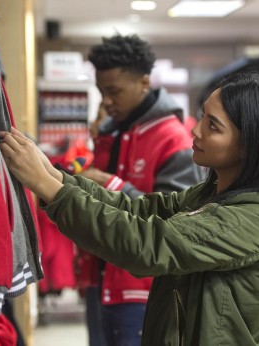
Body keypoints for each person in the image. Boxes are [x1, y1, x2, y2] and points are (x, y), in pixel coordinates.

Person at [0, 72, 259, 345]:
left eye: (213, 125)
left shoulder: (256, 217)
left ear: (251, 144)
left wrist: (51, 188)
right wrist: (56, 178)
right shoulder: (210, 194)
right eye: (203, 116)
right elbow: (143, 211)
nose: (196, 130)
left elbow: (148, 244)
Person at [77, 34, 203, 346]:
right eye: (101, 91)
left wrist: (111, 184)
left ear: (144, 82)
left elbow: (178, 222)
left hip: (144, 290)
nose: (105, 100)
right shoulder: (113, 133)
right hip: (101, 280)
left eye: (113, 91)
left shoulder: (174, 140)